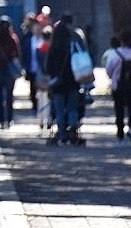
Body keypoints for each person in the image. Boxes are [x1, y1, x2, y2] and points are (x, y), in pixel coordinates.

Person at [45, 13, 84, 144]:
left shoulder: (54, 47)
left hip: (58, 83)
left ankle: (62, 135)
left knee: (59, 110)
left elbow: (48, 67)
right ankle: (73, 130)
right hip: (73, 81)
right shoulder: (74, 43)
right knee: (73, 108)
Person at [105, 29, 131, 145]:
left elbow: (109, 71)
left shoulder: (115, 54)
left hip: (118, 86)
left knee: (119, 110)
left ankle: (120, 135)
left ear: (121, 41)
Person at [20, 17, 43, 113]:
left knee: (42, 88)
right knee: (33, 87)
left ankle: (41, 105)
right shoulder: (29, 41)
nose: (37, 31)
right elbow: (24, 54)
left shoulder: (43, 40)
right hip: (32, 67)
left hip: (41, 69)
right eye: (35, 29)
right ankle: (35, 105)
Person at [35, 25, 53, 130]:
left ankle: (41, 120)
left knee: (40, 98)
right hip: (50, 76)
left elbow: (38, 63)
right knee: (49, 99)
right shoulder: (52, 49)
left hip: (41, 76)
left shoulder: (39, 48)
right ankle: (49, 119)